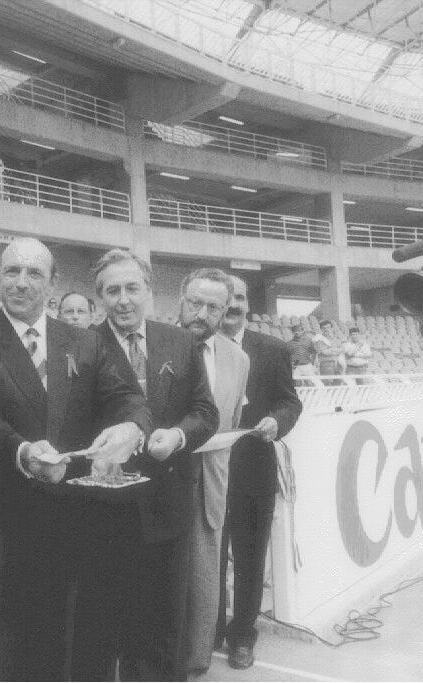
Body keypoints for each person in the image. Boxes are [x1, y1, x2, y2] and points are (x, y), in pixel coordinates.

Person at [0, 237, 151, 681]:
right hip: (7, 518)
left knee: (79, 638)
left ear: (53, 282)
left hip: (79, 521)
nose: (22, 282)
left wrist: (132, 427)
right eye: (12, 271)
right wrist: (23, 451)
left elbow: (128, 398)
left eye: (34, 273)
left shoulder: (83, 341)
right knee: (17, 642)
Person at [84, 251, 220, 681]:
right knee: (105, 628)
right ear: (99, 296)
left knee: (163, 627)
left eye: (132, 288)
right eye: (112, 291)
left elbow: (205, 410)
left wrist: (179, 437)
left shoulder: (178, 341)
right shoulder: (82, 346)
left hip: (168, 507)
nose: (123, 300)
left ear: (149, 290)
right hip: (105, 515)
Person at [217, 275, 303, 670]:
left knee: (250, 557)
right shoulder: (192, 345)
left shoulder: (271, 348)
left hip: (254, 467)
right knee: (209, 557)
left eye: (239, 296)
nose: (232, 304)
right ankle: (210, 627)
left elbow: (290, 402)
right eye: (225, 297)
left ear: (247, 302)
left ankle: (242, 635)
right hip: (207, 471)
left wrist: (276, 421)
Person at [173, 269, 250, 676]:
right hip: (160, 486)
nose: (202, 313)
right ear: (180, 301)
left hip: (210, 487)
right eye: (195, 303)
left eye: (214, 307)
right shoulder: (151, 344)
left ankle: (196, 665)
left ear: (226, 312)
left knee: (204, 591)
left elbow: (233, 419)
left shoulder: (239, 360)